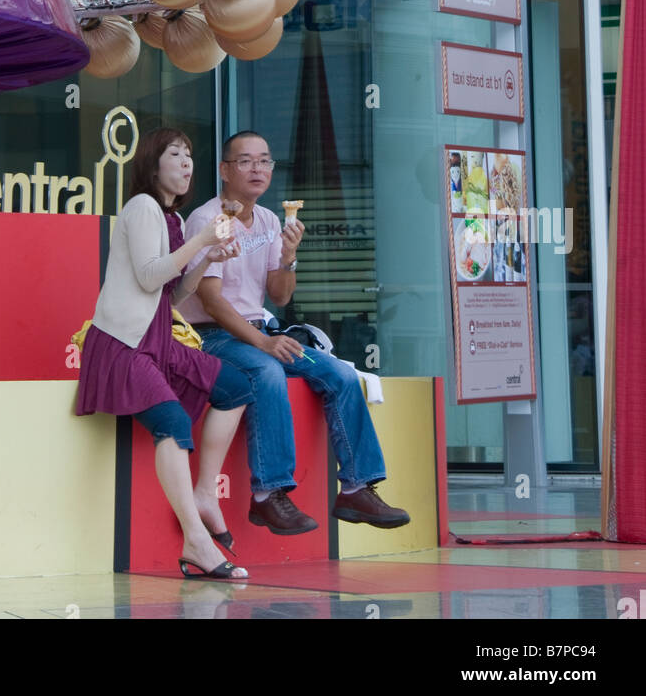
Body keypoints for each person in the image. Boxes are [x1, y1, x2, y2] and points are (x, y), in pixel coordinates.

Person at [180, 131, 410, 536]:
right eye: (246, 161)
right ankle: (268, 495)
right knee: (266, 372)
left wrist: (289, 258)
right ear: (224, 170)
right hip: (211, 336)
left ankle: (357, 486)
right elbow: (212, 301)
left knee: (339, 373)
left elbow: (280, 294)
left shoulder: (269, 220)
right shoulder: (208, 219)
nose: (257, 169)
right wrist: (264, 343)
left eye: (265, 161)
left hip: (256, 330)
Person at [75, 127, 253, 580]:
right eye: (176, 153)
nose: (187, 162)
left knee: (235, 386)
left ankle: (204, 494)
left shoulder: (172, 220)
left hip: (157, 340)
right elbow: (151, 276)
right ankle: (196, 541)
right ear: (153, 166)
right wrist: (202, 240)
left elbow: (170, 297)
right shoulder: (141, 208)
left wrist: (209, 258)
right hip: (123, 345)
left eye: (190, 153)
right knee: (173, 423)